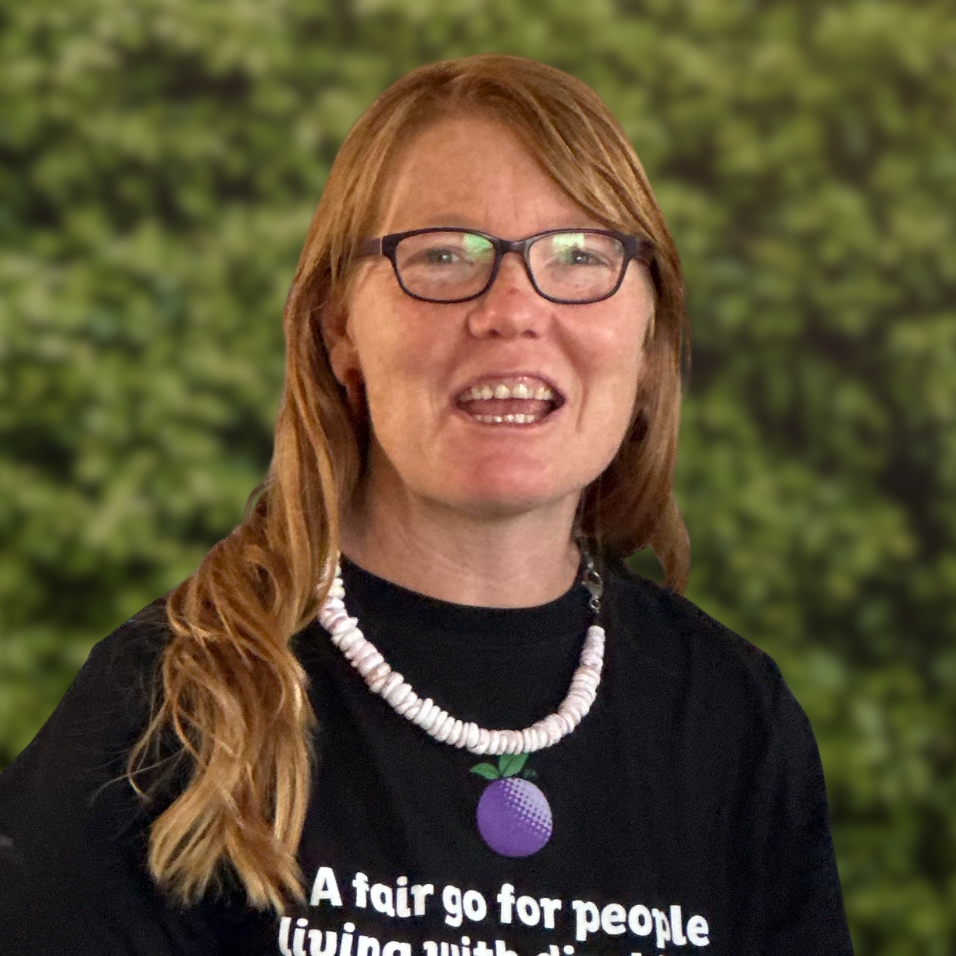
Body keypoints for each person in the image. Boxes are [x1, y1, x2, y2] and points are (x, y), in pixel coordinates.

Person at [0, 54, 853, 955]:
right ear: (339, 333)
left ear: (647, 336)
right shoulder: (163, 712)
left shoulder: (735, 723)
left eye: (579, 256)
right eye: (444, 256)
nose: (513, 310)